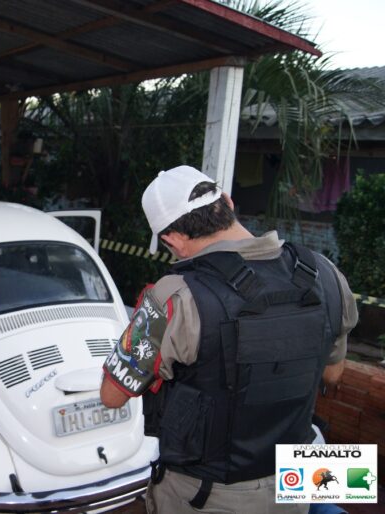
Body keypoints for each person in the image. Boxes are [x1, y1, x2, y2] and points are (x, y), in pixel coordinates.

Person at [100, 165, 358, 514]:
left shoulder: (175, 296)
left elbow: (112, 395)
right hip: (299, 476)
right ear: (228, 202)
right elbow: (333, 374)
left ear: (171, 239)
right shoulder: (324, 272)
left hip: (212, 492)